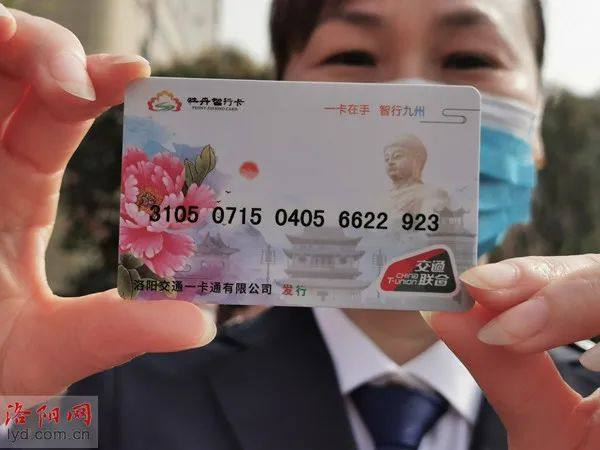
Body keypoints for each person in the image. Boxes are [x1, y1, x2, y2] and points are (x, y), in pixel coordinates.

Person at [0, 1, 599, 449]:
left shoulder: (588, 404)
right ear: (278, 106)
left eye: (470, 59)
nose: (408, 98)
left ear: (537, 123)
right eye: (353, 57)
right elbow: (27, 434)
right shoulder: (115, 398)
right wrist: (9, 397)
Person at [384, 134, 450, 216]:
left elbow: (433, 222)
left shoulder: (431, 194)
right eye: (387, 159)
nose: (390, 162)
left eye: (397, 156)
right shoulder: (383, 199)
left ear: (417, 159)